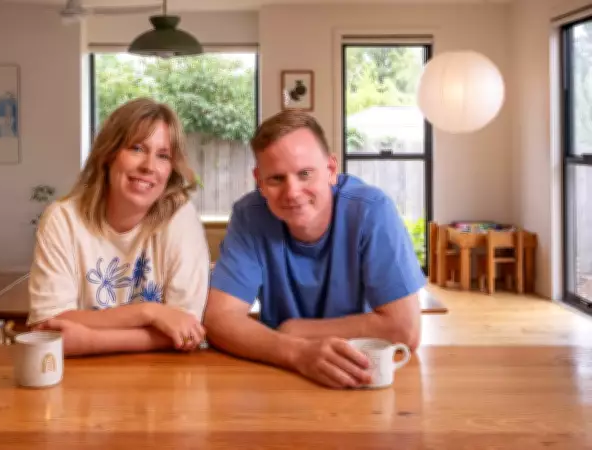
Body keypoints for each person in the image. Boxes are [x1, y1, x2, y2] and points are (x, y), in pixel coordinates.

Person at [203, 109, 424, 389]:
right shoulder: (249, 216)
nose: (292, 192)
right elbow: (219, 320)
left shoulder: (371, 210)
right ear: (259, 181)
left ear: (331, 170)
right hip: (282, 371)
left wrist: (295, 330)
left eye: (305, 173)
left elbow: (406, 330)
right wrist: (297, 353)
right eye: (276, 179)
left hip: (363, 374)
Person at [27, 98, 210, 357]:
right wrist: (150, 312)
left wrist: (90, 341)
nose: (149, 166)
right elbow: (48, 327)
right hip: (79, 381)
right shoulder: (62, 219)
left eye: (162, 155)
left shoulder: (180, 217)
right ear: (109, 154)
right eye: (136, 148)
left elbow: (186, 330)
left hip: (164, 376)